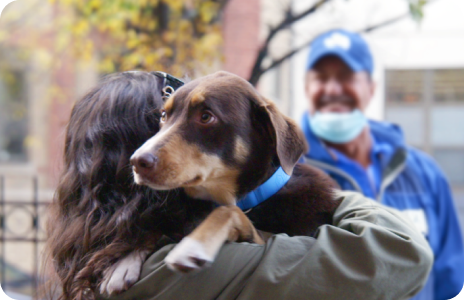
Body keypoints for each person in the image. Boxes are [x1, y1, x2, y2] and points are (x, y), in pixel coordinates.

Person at [45, 71, 433, 300]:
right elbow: (403, 253)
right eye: (163, 119)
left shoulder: (99, 255)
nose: (156, 147)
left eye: (200, 117)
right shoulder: (179, 265)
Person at [300, 28, 464, 300]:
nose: (332, 89)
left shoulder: (424, 173)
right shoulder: (290, 175)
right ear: (307, 88)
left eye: (346, 76)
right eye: (321, 77)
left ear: (371, 88)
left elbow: (451, 278)